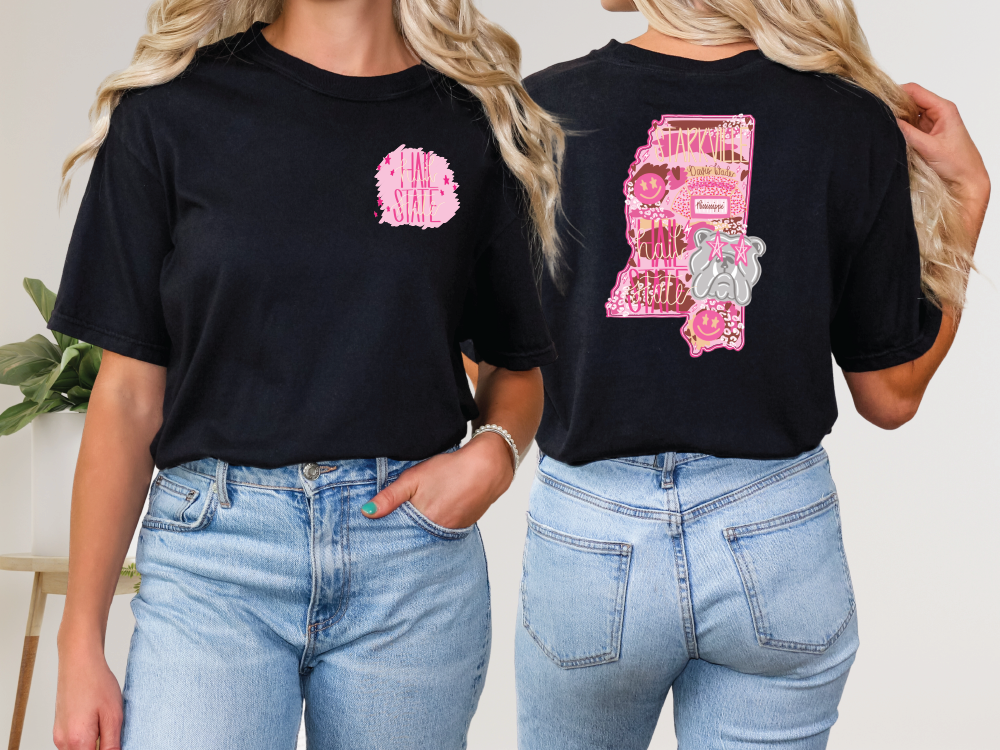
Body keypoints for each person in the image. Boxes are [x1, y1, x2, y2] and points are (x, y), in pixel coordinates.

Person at [50, 1, 562, 749]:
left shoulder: (475, 123)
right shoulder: (169, 112)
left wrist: (495, 454)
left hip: (407, 568)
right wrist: (79, 642)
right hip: (216, 561)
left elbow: (518, 370)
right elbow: (127, 397)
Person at [506, 1, 990, 748]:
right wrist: (966, 203)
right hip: (776, 539)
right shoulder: (846, 117)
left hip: (594, 545)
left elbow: (488, 358)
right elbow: (891, 398)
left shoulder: (537, 110)